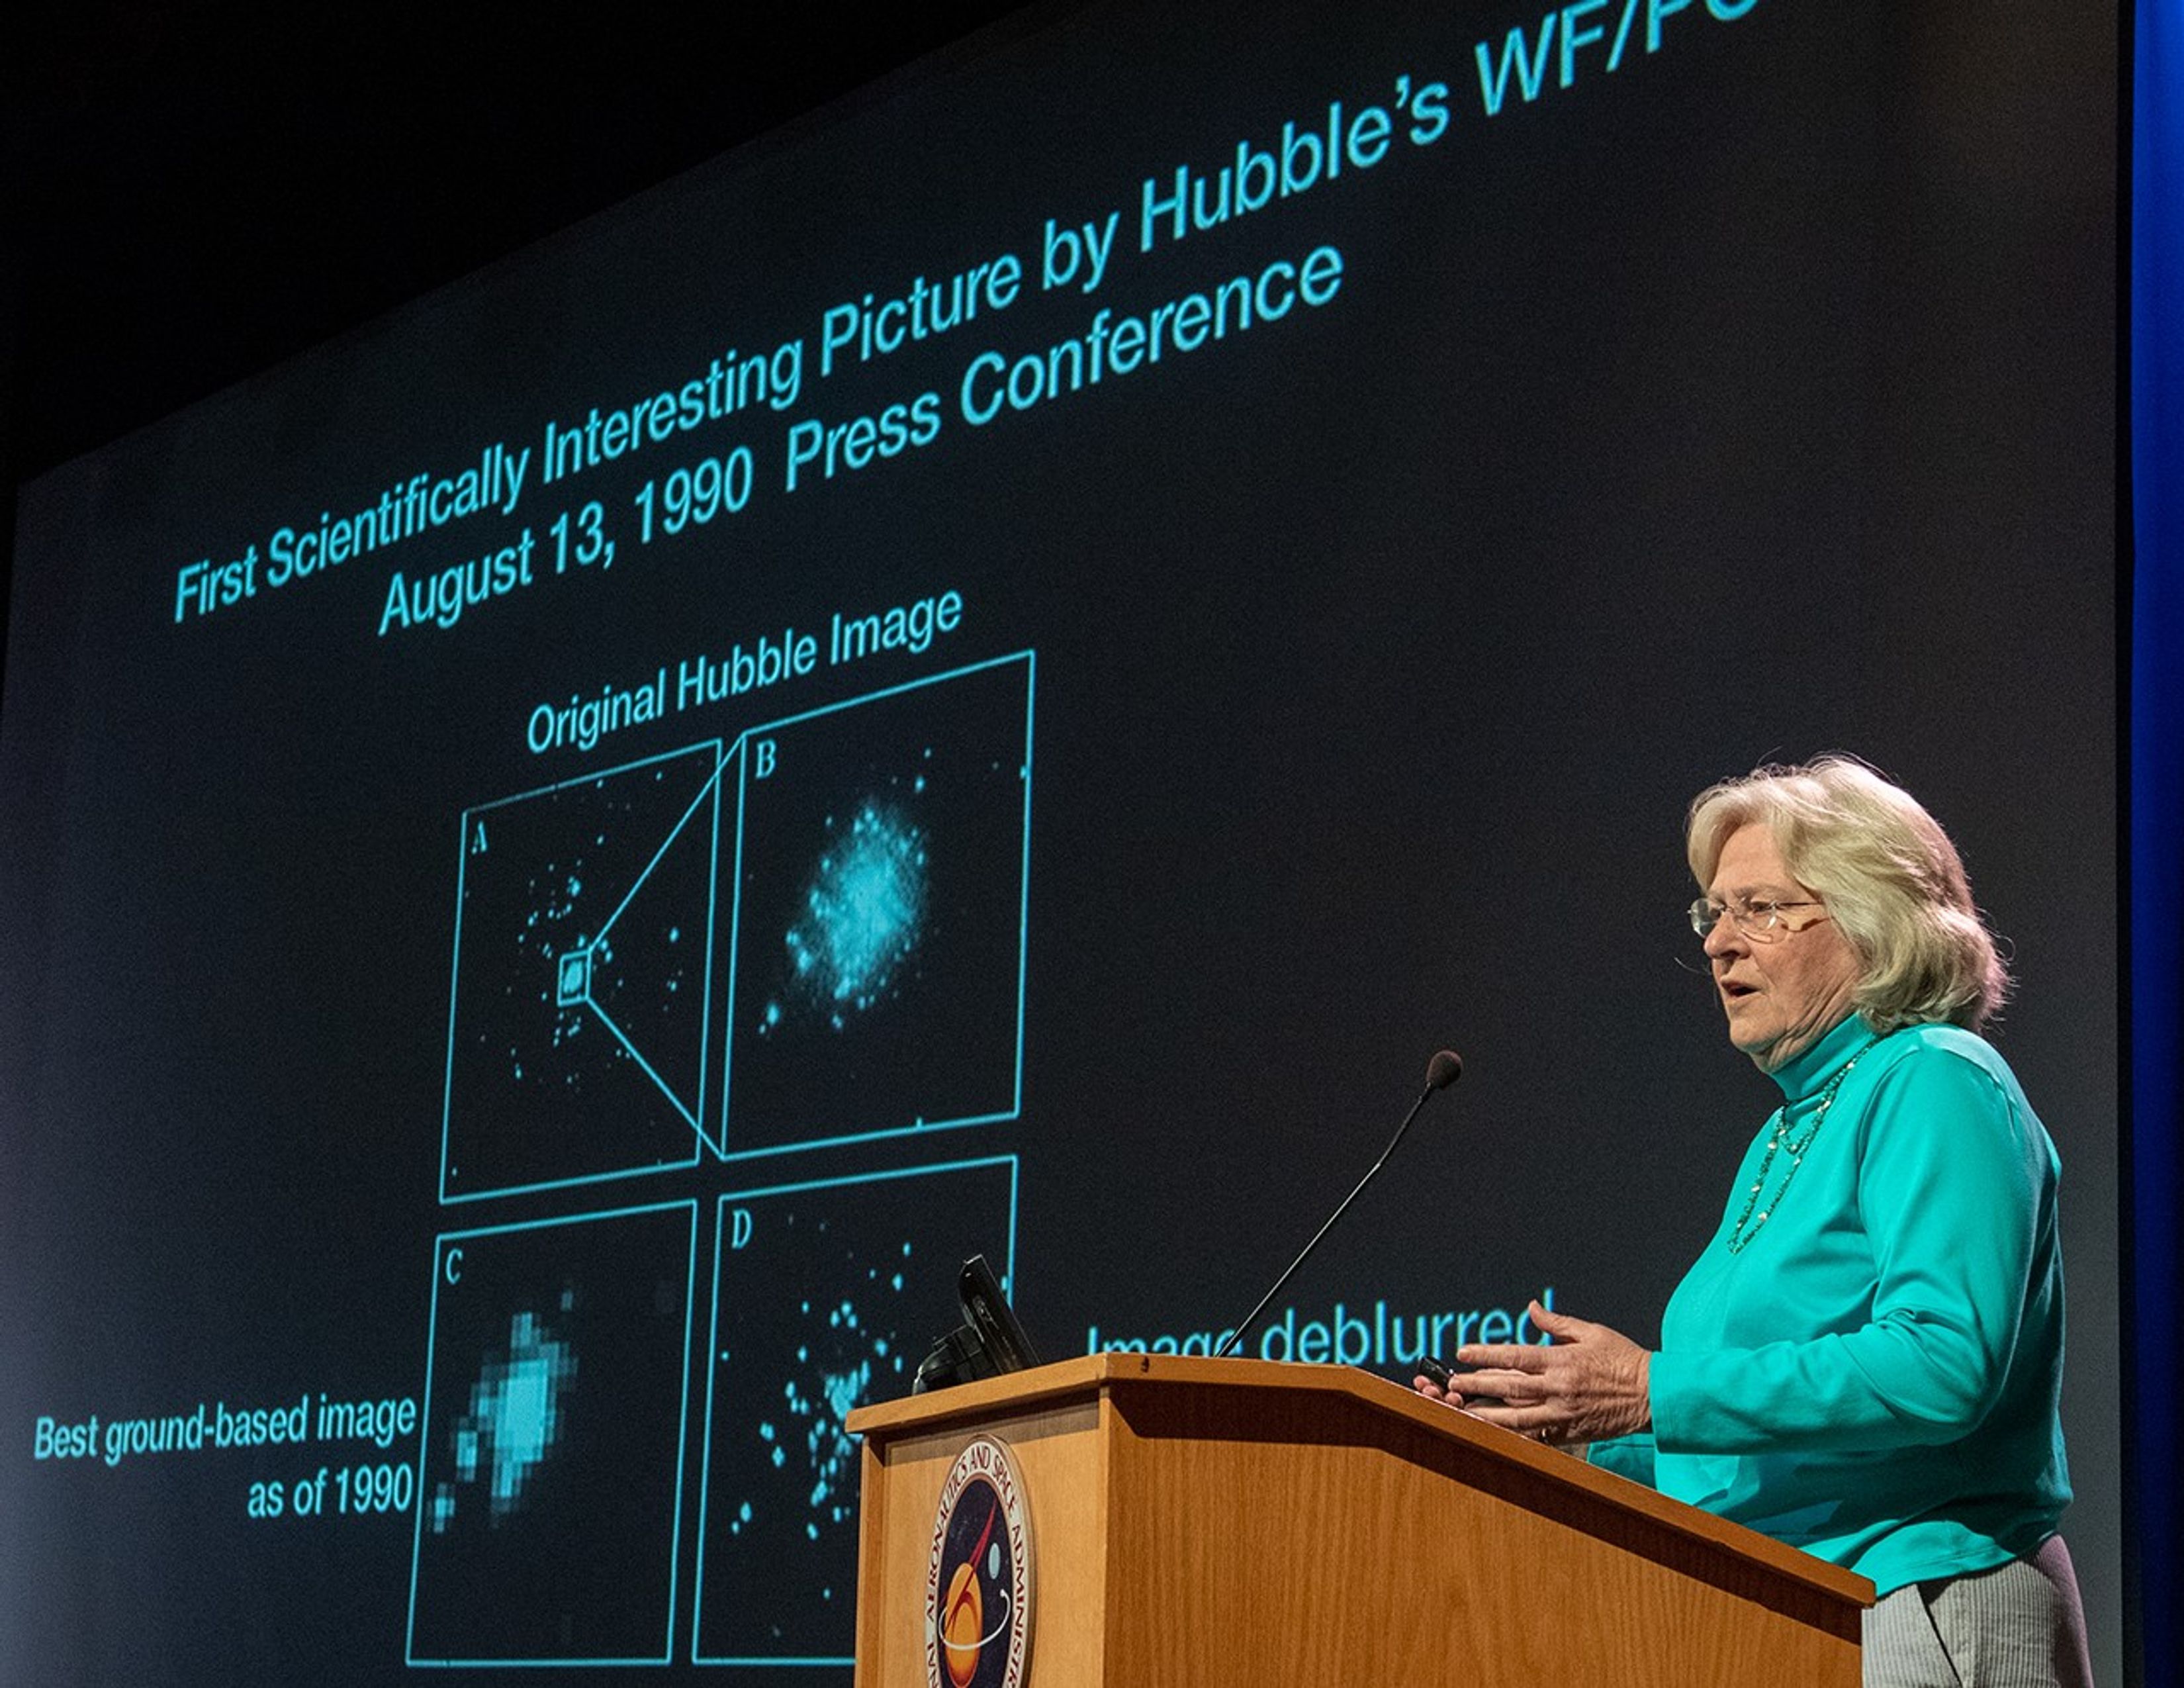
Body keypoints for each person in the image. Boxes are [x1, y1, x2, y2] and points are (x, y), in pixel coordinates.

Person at [1417, 757, 2093, 1687]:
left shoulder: (1936, 1078)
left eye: (1761, 908)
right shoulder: (1790, 1130)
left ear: (1875, 922)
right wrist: (1570, 1440)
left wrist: (1655, 1389)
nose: (1719, 943)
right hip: (1796, 1607)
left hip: (1928, 1598)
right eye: (1712, 913)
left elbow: (1943, 1364)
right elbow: (1771, 1443)